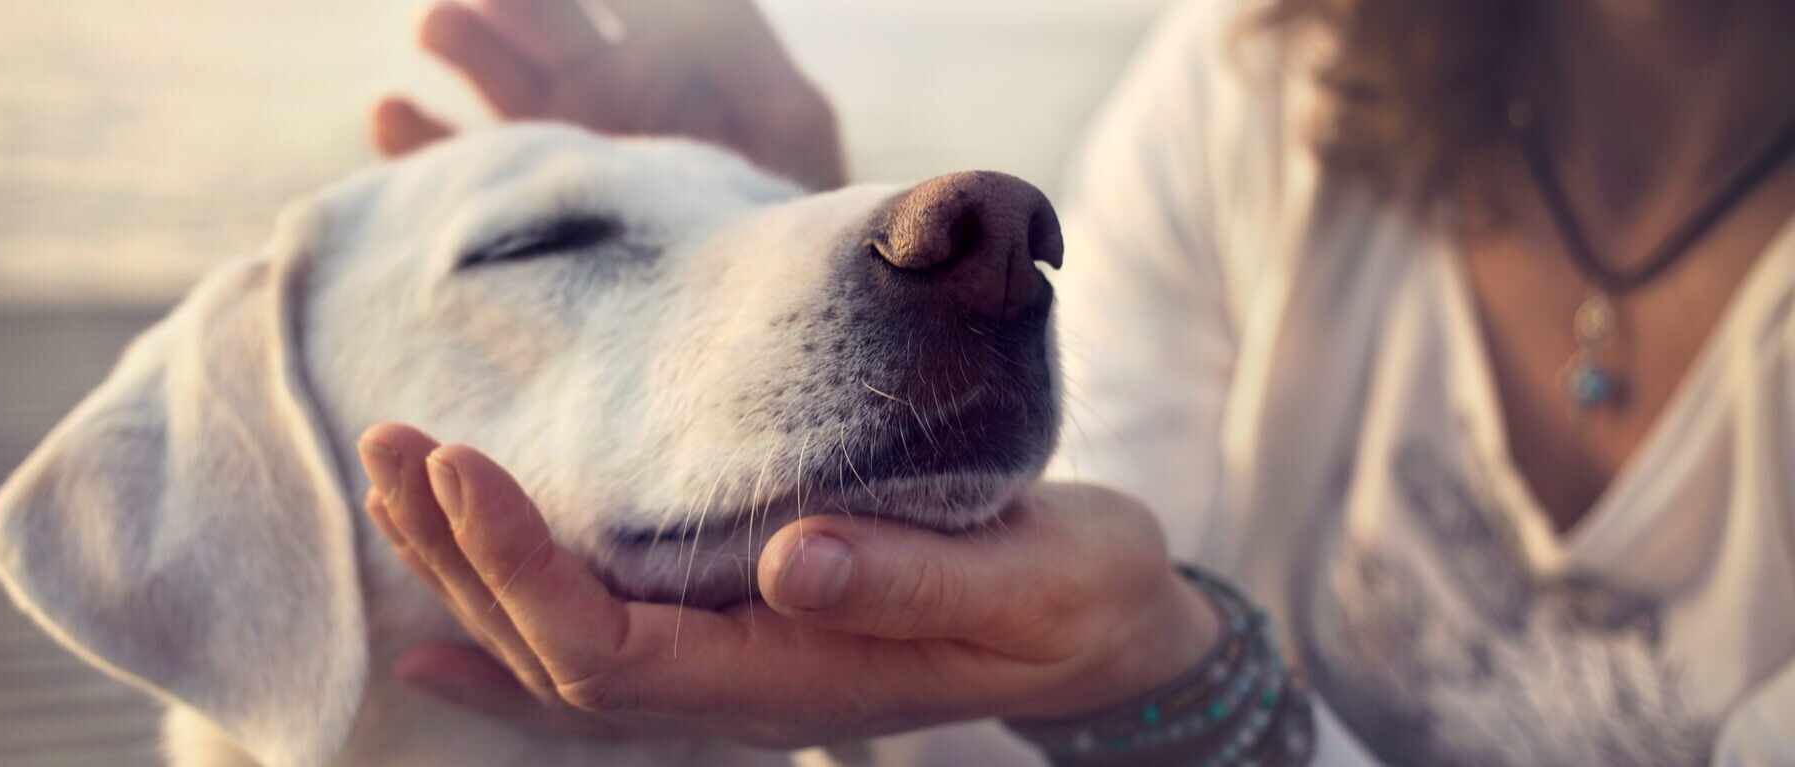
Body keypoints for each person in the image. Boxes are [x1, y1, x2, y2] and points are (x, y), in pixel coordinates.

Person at [352, 0, 1795, 764]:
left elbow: (1099, 657)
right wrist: (775, 295)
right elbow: (997, 730)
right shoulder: (1266, 85)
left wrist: (1179, 683)